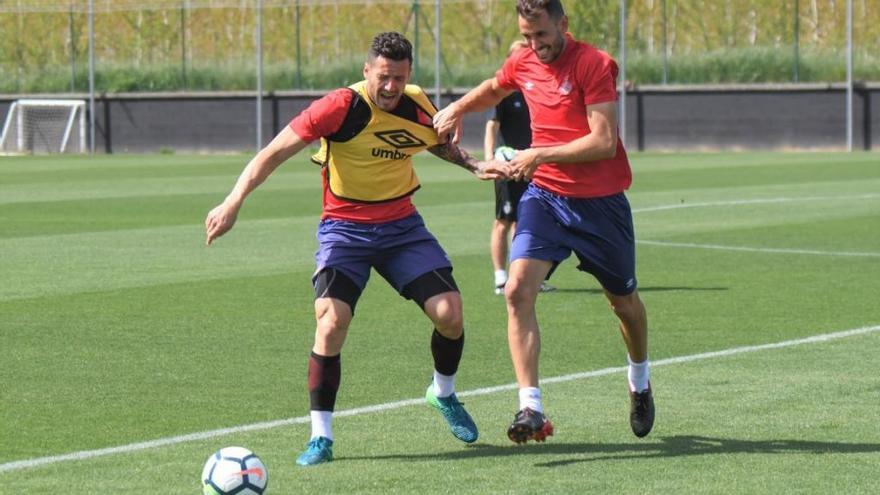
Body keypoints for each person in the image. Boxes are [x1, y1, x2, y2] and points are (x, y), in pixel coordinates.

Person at [206, 32, 507, 466]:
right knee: (331, 321)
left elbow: (435, 142)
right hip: (344, 229)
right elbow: (274, 152)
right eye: (383, 77)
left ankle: (442, 393)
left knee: (450, 313)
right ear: (367, 71)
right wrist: (234, 200)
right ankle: (320, 438)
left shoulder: (418, 102)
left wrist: (476, 165)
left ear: (409, 76)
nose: (390, 87)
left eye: (399, 78)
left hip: (401, 227)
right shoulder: (338, 107)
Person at [433, 0, 654, 444]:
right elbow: (495, 87)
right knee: (516, 290)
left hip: (600, 205)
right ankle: (531, 406)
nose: (535, 45)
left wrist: (536, 154)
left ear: (563, 25)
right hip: (546, 197)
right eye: (528, 36)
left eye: (543, 36)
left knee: (624, 305)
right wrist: (457, 108)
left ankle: (640, 380)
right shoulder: (523, 59)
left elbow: (604, 141)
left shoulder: (594, 64)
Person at [484, 40, 555, 296]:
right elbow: (492, 125)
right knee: (503, 220)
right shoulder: (503, 90)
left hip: (532, 163)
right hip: (506, 164)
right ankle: (500, 277)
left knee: (525, 221)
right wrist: (490, 158)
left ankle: (523, 277)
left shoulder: (535, 89)